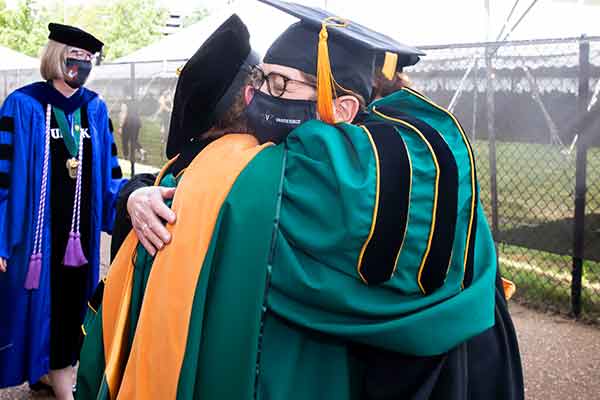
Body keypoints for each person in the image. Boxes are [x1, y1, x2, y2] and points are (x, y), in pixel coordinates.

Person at [86, 1, 523, 399]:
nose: (257, 94)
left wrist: (134, 193)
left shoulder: (285, 182)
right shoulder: (434, 167)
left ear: (345, 109)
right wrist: (135, 191)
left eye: (279, 82)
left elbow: (200, 194)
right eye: (259, 78)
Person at [0, 23, 126, 400]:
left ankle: (57, 372)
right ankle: (51, 375)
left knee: (74, 304)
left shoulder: (95, 109)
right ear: (56, 55)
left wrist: (125, 207)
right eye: (75, 55)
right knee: (30, 308)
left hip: (80, 237)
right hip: (35, 235)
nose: (82, 63)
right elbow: (2, 176)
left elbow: (111, 173)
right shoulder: (23, 105)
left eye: (88, 58)